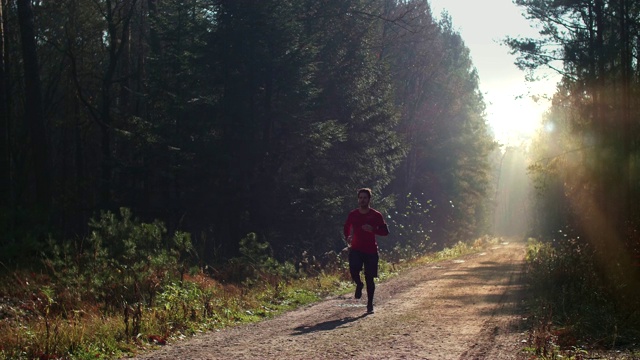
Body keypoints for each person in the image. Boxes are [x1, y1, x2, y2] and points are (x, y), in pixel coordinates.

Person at [343, 187, 389, 313]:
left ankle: (370, 304)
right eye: (360, 198)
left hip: (370, 250)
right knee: (353, 270)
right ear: (358, 199)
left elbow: (385, 232)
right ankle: (358, 284)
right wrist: (348, 236)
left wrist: (373, 229)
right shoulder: (353, 214)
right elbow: (346, 226)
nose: (362, 200)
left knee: (370, 278)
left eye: (365, 198)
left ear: (369, 199)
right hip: (356, 248)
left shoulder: (376, 215)